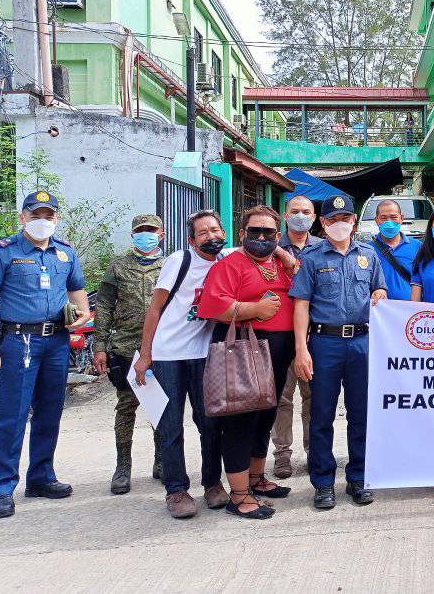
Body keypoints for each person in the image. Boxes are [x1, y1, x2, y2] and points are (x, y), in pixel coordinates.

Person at [0, 190, 92, 519]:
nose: (43, 221)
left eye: (49, 215)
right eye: (36, 214)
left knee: (50, 412)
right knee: (11, 415)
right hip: (18, 342)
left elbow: (77, 288)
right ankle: (0, 488)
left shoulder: (65, 252)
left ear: (56, 218)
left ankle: (40, 477)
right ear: (23, 217)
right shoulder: (1, 252)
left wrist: (83, 312)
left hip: (56, 341)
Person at [290, 194, 388, 510]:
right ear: (322, 223)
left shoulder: (369, 255)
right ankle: (323, 483)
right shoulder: (313, 257)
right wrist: (301, 349)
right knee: (322, 414)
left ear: (353, 222)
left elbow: (379, 290)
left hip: (361, 343)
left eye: (344, 219)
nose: (339, 225)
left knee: (361, 414)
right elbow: (301, 304)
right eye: (332, 220)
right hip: (324, 344)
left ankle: (358, 478)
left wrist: (380, 293)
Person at [197, 205, 295, 520]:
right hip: (244, 350)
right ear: (242, 234)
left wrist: (282, 253)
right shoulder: (230, 264)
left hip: (279, 352)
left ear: (278, 236)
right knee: (241, 420)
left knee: (265, 416)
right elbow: (212, 305)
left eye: (269, 232)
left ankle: (256, 479)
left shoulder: (281, 263)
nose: (261, 237)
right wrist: (254, 309)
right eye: (255, 231)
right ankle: (239, 496)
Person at [133, 210, 227, 519]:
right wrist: (145, 355)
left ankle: (213, 484)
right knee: (170, 426)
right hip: (168, 355)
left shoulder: (226, 260)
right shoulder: (179, 262)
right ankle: (176, 489)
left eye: (215, 229)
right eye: (203, 232)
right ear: (191, 240)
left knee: (211, 423)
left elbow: (260, 246)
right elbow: (155, 308)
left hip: (204, 355)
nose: (211, 236)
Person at [92, 213, 166, 495]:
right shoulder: (118, 267)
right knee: (126, 406)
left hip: (161, 348)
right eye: (140, 230)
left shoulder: (170, 265)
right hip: (126, 347)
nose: (145, 234)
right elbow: (105, 307)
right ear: (132, 235)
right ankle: (123, 466)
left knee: (160, 407)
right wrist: (100, 345)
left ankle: (162, 461)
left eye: (151, 230)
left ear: (161, 234)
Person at [270, 195, 322, 480]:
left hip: (315, 333)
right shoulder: (269, 248)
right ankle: (282, 454)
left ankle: (314, 450)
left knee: (313, 396)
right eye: (295, 211)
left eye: (306, 211)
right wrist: (278, 252)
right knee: (282, 396)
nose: (300, 215)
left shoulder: (323, 248)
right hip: (280, 332)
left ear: (314, 218)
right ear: (284, 215)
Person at [371, 198, 422, 301]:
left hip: (411, 311)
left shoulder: (417, 246)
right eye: (383, 218)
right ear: (377, 220)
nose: (389, 222)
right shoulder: (367, 250)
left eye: (393, 217)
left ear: (401, 218)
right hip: (379, 311)